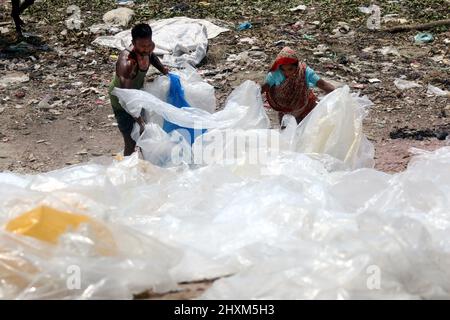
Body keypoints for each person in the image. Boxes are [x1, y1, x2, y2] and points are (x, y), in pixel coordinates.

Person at [108, 23, 169, 156]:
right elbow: (127, 97)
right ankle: (127, 168)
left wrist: (165, 71)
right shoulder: (127, 63)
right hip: (121, 100)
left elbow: (151, 56)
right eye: (142, 46)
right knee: (131, 139)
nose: (146, 49)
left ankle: (144, 163)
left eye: (149, 45)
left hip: (136, 93)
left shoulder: (147, 48)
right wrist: (140, 120)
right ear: (133, 43)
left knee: (143, 134)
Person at [261, 47, 335, 124]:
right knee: (286, 133)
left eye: (290, 69)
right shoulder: (275, 74)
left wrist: (339, 93)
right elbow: (265, 87)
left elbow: (322, 84)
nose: (287, 73)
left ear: (296, 66)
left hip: (305, 108)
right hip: (284, 111)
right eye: (283, 70)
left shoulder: (304, 71)